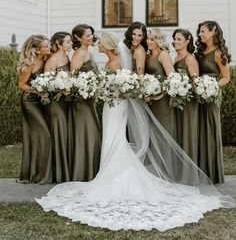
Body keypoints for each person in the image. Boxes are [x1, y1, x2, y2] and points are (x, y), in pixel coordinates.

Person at [36, 32, 235, 231]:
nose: (98, 45)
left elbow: (122, 87)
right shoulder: (112, 61)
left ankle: (114, 172)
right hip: (111, 105)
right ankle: (110, 168)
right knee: (113, 137)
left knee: (114, 136)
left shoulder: (116, 64)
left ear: (106, 45)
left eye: (100, 43)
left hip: (115, 106)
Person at [195, 21, 231, 183]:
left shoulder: (218, 53)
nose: (200, 34)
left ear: (213, 32)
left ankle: (213, 172)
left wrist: (212, 87)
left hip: (211, 96)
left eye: (203, 31)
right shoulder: (200, 51)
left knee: (210, 129)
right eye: (200, 32)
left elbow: (226, 78)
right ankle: (201, 169)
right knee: (200, 129)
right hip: (198, 95)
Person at [17, 35, 53, 184]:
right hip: (30, 102)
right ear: (38, 50)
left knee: (40, 137)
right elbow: (22, 85)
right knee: (45, 135)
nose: (50, 48)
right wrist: (38, 92)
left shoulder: (46, 60)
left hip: (42, 101)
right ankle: (39, 175)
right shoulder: (28, 64)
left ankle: (37, 172)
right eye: (47, 46)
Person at [68, 24, 101, 181]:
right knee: (86, 133)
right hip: (81, 101)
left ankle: (92, 170)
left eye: (91, 35)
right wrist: (86, 90)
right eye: (87, 35)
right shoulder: (79, 54)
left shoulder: (88, 51)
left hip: (88, 100)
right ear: (78, 38)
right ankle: (83, 172)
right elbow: (72, 79)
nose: (91, 37)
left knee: (92, 132)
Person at [44, 32, 72, 183]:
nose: (70, 44)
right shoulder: (53, 59)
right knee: (59, 134)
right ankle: (58, 173)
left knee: (65, 134)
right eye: (68, 42)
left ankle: (65, 171)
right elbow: (46, 83)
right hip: (55, 103)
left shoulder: (66, 57)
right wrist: (60, 89)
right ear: (60, 44)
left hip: (65, 102)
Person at [172, 28, 199, 164]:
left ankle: (189, 171)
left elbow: (196, 83)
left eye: (179, 39)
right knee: (179, 134)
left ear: (187, 41)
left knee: (187, 134)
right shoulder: (176, 57)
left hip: (189, 103)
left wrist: (183, 88)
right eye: (175, 39)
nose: (175, 41)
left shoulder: (190, 59)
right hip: (177, 102)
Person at [146, 28, 177, 138]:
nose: (148, 41)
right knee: (152, 132)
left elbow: (172, 78)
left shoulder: (163, 55)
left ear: (158, 40)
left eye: (152, 39)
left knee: (163, 129)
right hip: (150, 100)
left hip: (162, 100)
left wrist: (159, 95)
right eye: (147, 39)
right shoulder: (148, 56)